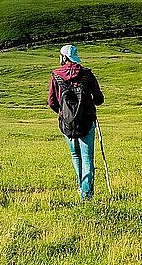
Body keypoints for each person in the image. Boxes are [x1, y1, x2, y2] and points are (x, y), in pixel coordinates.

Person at [48, 44, 104, 200]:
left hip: (67, 124)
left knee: (75, 155)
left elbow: (51, 102)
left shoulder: (55, 75)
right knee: (87, 158)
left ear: (63, 57)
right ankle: (86, 194)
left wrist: (63, 113)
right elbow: (99, 99)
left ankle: (82, 188)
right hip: (86, 121)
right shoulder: (87, 74)